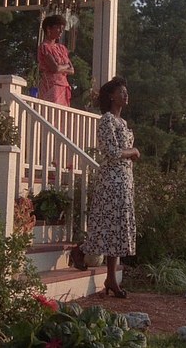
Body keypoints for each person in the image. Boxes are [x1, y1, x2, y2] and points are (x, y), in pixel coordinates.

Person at [69, 77, 140, 298]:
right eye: (121, 92)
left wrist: (128, 155)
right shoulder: (107, 120)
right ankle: (80, 251)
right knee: (107, 224)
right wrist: (133, 151)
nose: (125, 95)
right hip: (111, 181)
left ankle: (111, 279)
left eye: (126, 92)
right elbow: (111, 152)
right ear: (111, 96)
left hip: (124, 179)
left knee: (117, 229)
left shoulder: (123, 122)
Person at [37, 14, 74, 106]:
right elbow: (54, 68)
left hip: (64, 85)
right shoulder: (45, 47)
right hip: (51, 85)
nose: (61, 31)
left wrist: (61, 67)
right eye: (58, 28)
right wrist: (65, 66)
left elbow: (72, 70)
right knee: (51, 109)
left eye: (62, 28)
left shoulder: (61, 48)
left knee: (63, 112)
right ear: (49, 29)